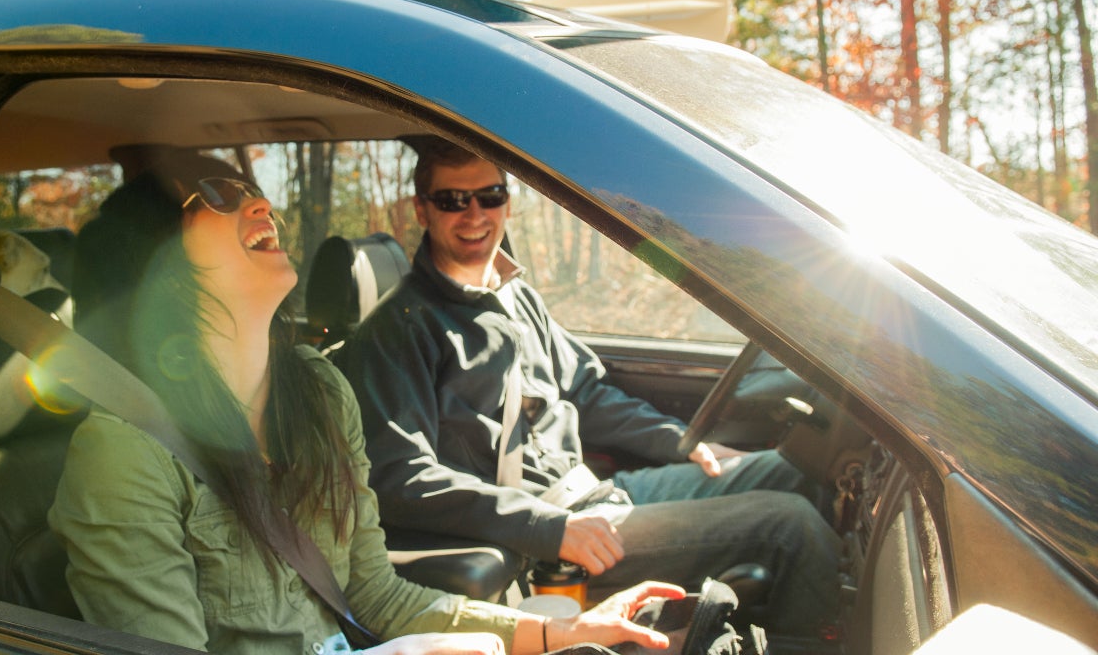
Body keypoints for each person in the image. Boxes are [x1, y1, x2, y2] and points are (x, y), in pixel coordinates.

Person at [46, 150, 685, 655]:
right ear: (154, 261)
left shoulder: (318, 391)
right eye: (218, 196)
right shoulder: (124, 453)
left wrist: (558, 633)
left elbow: (375, 597)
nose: (262, 204)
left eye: (250, 188)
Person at [333, 138, 841, 637]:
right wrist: (547, 529)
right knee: (789, 525)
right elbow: (401, 479)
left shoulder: (516, 296)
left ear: (508, 202)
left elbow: (587, 392)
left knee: (793, 471)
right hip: (541, 537)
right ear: (422, 210)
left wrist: (683, 442)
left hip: (597, 494)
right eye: (452, 200)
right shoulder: (398, 332)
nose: (474, 214)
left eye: (489, 196)